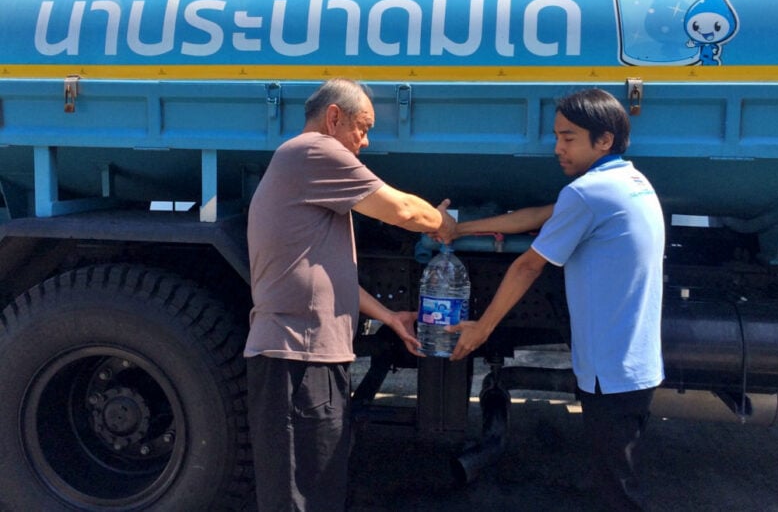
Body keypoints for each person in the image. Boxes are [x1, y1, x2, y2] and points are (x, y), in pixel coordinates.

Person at [445, 88, 665, 511]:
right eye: (556, 136)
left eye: (568, 138)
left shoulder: (587, 194)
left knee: (616, 493)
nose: (557, 148)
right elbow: (537, 215)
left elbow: (527, 266)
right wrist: (460, 230)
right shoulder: (629, 182)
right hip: (637, 364)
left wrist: (481, 328)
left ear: (604, 140)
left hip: (611, 368)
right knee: (619, 477)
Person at [244, 78, 456, 512]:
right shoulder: (312, 151)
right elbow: (401, 210)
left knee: (320, 488)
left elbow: (328, 273)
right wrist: (444, 221)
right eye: (362, 127)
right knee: (299, 494)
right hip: (295, 359)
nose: (366, 140)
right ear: (333, 117)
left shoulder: (304, 171)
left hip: (307, 358)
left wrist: (388, 316)